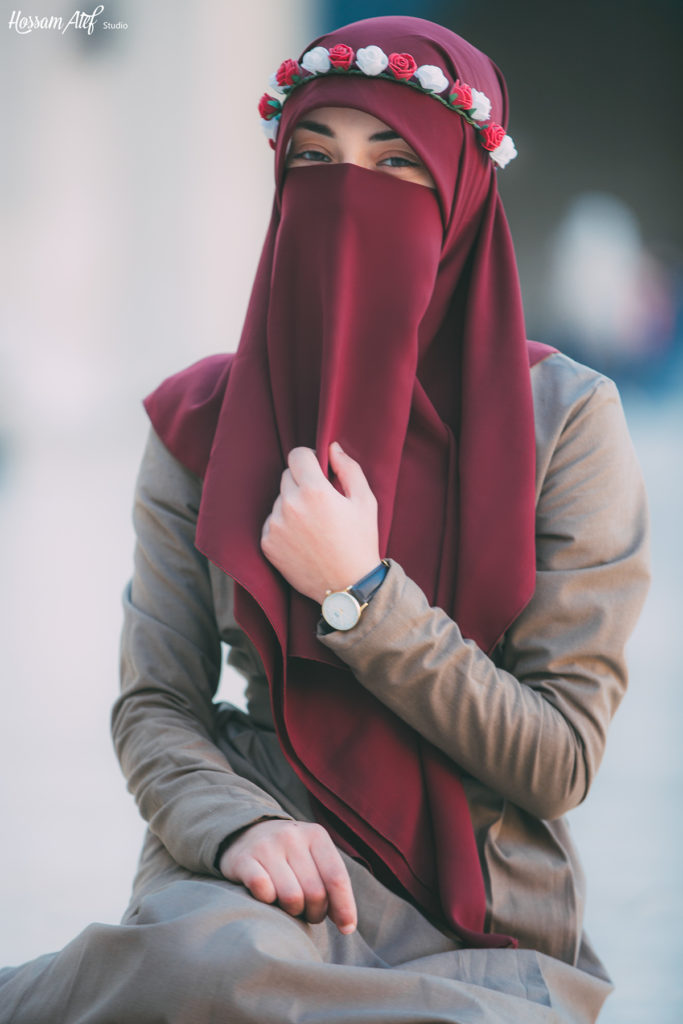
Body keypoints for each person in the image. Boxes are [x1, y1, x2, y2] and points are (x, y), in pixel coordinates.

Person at [0, 15, 649, 1023]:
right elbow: (154, 705)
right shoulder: (199, 423)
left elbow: (556, 758)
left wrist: (362, 595)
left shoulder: (564, 420)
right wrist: (235, 827)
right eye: (314, 156)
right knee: (198, 968)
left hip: (477, 905)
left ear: (461, 194)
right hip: (260, 885)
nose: (348, 193)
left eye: (395, 162)